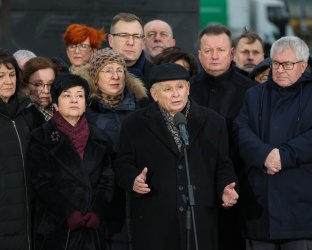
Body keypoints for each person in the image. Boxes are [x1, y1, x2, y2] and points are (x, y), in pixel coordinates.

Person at [114, 63, 239, 250]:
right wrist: (133, 180)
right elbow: (122, 164)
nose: (175, 94)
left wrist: (225, 187)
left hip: (200, 223)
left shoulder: (214, 122)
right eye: (168, 89)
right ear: (154, 95)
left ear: (188, 88)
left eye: (180, 87)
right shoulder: (134, 124)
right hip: (155, 226)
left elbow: (223, 164)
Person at [233, 36, 312, 250]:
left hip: (304, 210)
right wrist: (264, 155)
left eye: (287, 64)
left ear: (303, 65)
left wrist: (282, 156)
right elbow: (240, 131)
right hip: (260, 207)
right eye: (275, 63)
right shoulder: (255, 94)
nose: (280, 69)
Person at [28, 72, 114, 250]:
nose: (74, 100)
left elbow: (107, 180)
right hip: (58, 229)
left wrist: (97, 212)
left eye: (79, 95)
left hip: (92, 230)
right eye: (67, 95)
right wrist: (67, 213)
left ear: (86, 103)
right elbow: (41, 182)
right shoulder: (41, 136)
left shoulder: (100, 138)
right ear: (55, 105)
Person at [190, 23, 256, 249]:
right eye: (208, 51)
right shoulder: (185, 90)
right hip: (192, 192)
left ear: (232, 53)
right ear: (199, 54)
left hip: (238, 191)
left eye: (220, 50)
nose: (214, 56)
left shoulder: (251, 92)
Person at [74, 47, 147, 250]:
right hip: (99, 201)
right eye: (107, 70)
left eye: (120, 70)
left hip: (136, 196)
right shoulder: (84, 112)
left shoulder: (142, 108)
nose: (115, 76)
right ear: (95, 77)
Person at [0, 49, 37, 249]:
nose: (8, 81)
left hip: (28, 213)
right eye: (1, 76)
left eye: (12, 74)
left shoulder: (27, 112)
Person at [108, 13, 153, 86]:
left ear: (143, 42)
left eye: (137, 36)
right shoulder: (91, 76)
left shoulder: (158, 77)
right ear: (111, 40)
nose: (131, 42)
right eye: (124, 36)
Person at [21, 57, 60, 125]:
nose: (46, 90)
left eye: (50, 84)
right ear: (25, 85)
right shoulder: (22, 117)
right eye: (38, 84)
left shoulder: (64, 108)